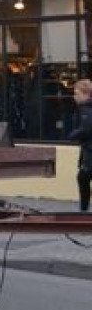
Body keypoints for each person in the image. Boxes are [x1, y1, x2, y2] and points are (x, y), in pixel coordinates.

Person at [67, 79, 92, 212]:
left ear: (86, 94)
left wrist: (72, 135)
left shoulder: (85, 109)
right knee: (83, 178)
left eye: (77, 93)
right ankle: (84, 209)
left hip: (90, 150)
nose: (74, 96)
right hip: (88, 149)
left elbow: (86, 128)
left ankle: (83, 210)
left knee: (83, 177)